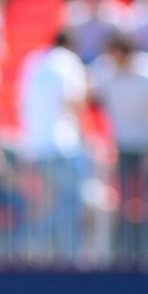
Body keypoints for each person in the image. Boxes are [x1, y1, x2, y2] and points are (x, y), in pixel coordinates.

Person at [16, 31, 89, 263]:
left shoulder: (34, 61)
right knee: (71, 204)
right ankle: (39, 242)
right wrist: (85, 135)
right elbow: (73, 102)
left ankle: (48, 249)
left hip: (37, 146)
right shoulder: (68, 61)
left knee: (53, 202)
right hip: (64, 147)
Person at [89, 34, 148, 265]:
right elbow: (87, 98)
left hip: (147, 147)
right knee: (121, 205)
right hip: (121, 147)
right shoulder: (106, 72)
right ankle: (122, 256)